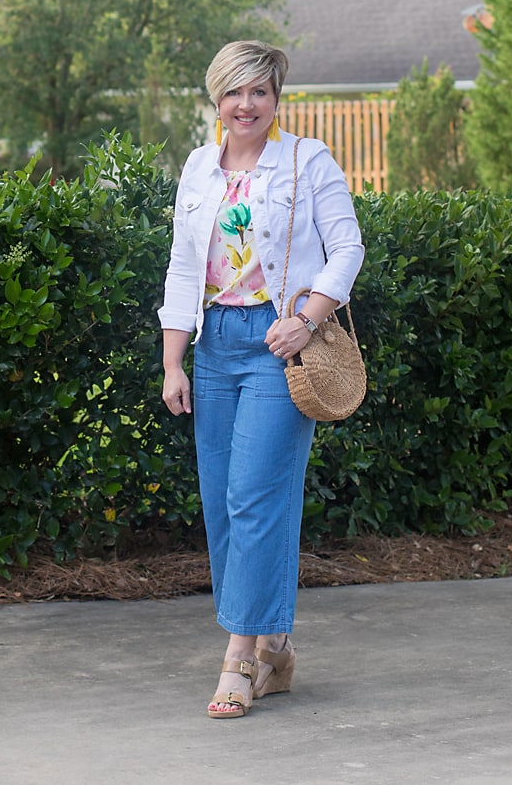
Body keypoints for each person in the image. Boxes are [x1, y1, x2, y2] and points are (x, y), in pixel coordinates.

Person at [158, 40, 364, 719]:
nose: (245, 105)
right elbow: (185, 270)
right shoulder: (197, 168)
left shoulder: (308, 161)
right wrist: (173, 360)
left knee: (254, 496)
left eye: (259, 92)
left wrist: (307, 318)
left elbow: (348, 249)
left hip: (280, 349)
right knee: (222, 502)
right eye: (233, 92)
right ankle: (275, 644)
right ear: (215, 99)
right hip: (214, 344)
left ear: (277, 98)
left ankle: (240, 657)